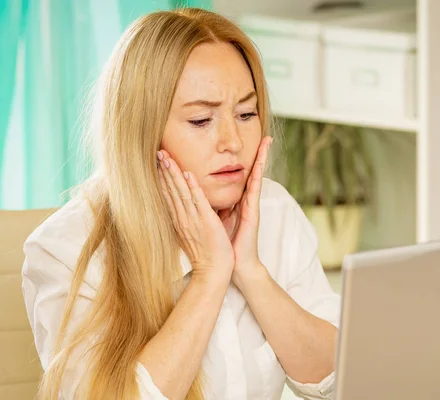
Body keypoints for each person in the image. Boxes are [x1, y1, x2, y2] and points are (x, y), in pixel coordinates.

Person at [22, 8, 340, 400]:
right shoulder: (65, 250)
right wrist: (209, 276)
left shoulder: (273, 210)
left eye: (246, 113)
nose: (233, 142)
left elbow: (334, 378)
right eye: (201, 121)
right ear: (142, 131)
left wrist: (251, 271)